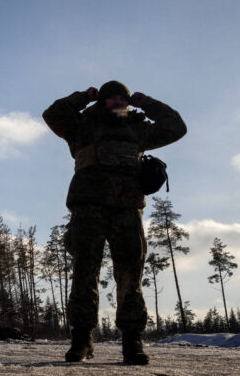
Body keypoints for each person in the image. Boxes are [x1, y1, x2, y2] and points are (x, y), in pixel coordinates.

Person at [43, 81, 186, 365]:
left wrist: (148, 103)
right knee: (85, 273)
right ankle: (82, 340)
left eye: (124, 98)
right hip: (89, 208)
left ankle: (133, 342)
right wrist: (82, 97)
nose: (119, 102)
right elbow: (53, 114)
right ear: (102, 101)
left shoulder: (138, 128)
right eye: (113, 98)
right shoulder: (82, 126)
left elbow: (176, 127)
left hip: (127, 210)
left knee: (130, 275)